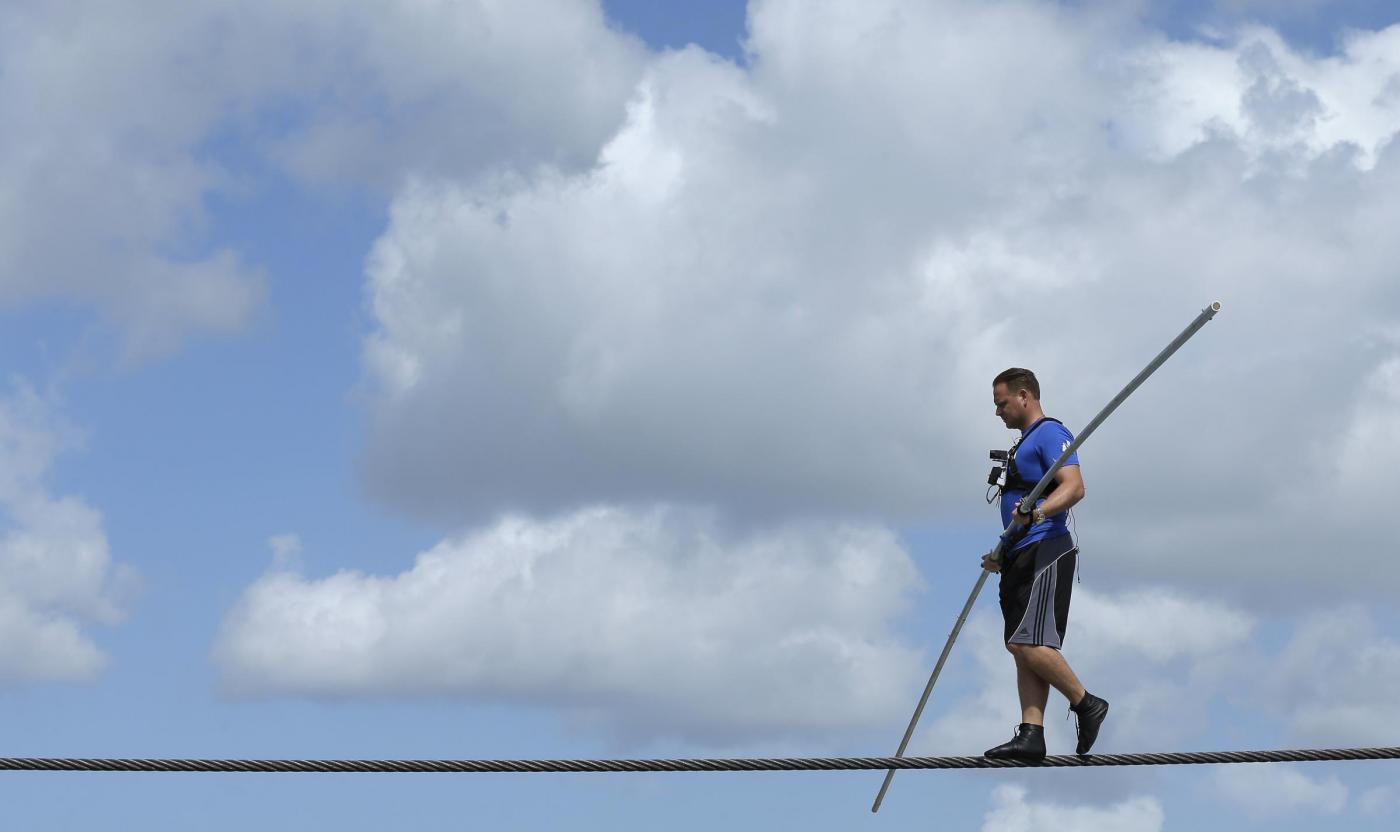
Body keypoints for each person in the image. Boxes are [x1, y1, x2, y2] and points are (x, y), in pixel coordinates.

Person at [979, 367, 1109, 761]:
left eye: (1002, 403)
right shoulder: (1024, 444)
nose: (998, 412)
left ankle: (1086, 703)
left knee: (1026, 641)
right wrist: (1002, 550)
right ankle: (1031, 732)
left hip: (1046, 548)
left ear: (1024, 395)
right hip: (1021, 551)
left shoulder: (1050, 433)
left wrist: (1036, 514)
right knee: (1022, 645)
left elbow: (1074, 487)